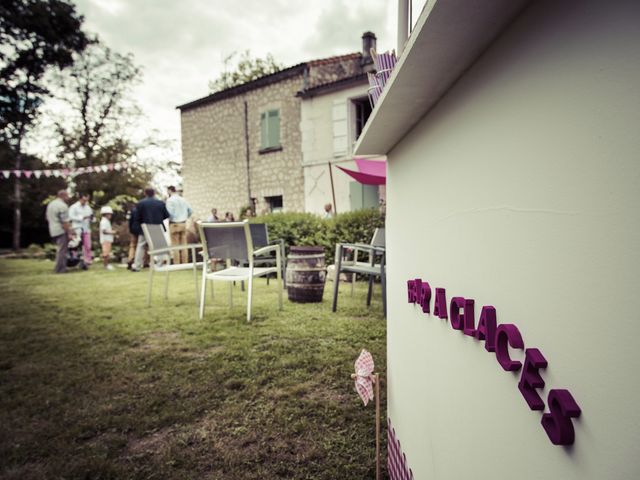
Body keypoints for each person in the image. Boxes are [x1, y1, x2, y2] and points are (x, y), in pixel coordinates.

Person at [131, 187, 169, 272]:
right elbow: (166, 215)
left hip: (144, 228)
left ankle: (137, 266)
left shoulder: (140, 203)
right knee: (159, 247)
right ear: (154, 193)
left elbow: (137, 217)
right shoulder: (160, 203)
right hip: (157, 227)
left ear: (145, 193)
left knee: (141, 246)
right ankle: (159, 265)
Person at [45, 190, 74, 273]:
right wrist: (69, 233)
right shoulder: (63, 206)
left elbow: (47, 218)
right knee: (62, 250)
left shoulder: (51, 204)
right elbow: (65, 222)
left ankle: (59, 267)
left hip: (52, 230)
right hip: (60, 230)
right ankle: (60, 269)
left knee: (60, 249)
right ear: (63, 196)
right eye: (67, 196)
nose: (68, 198)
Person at [166, 185, 193, 264]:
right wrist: (185, 217)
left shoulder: (170, 200)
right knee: (184, 244)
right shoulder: (183, 199)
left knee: (175, 245)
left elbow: (169, 213)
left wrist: (173, 218)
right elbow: (190, 210)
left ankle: (177, 263)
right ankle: (185, 262)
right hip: (183, 223)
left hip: (174, 224)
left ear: (170, 191)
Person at [68, 193, 93, 265]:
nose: (85, 201)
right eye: (84, 199)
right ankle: (74, 258)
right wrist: (81, 218)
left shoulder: (88, 207)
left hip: (86, 228)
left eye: (87, 200)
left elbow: (91, 216)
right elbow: (70, 217)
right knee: (76, 244)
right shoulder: (74, 207)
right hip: (77, 227)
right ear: (80, 198)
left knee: (87, 245)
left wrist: (91, 218)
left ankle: (88, 260)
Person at [99, 206, 115, 270]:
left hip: (108, 239)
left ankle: (107, 265)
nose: (110, 215)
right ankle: (106, 266)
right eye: (109, 214)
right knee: (106, 253)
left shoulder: (106, 221)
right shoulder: (104, 221)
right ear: (105, 214)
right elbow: (104, 231)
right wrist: (112, 232)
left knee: (107, 253)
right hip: (105, 239)